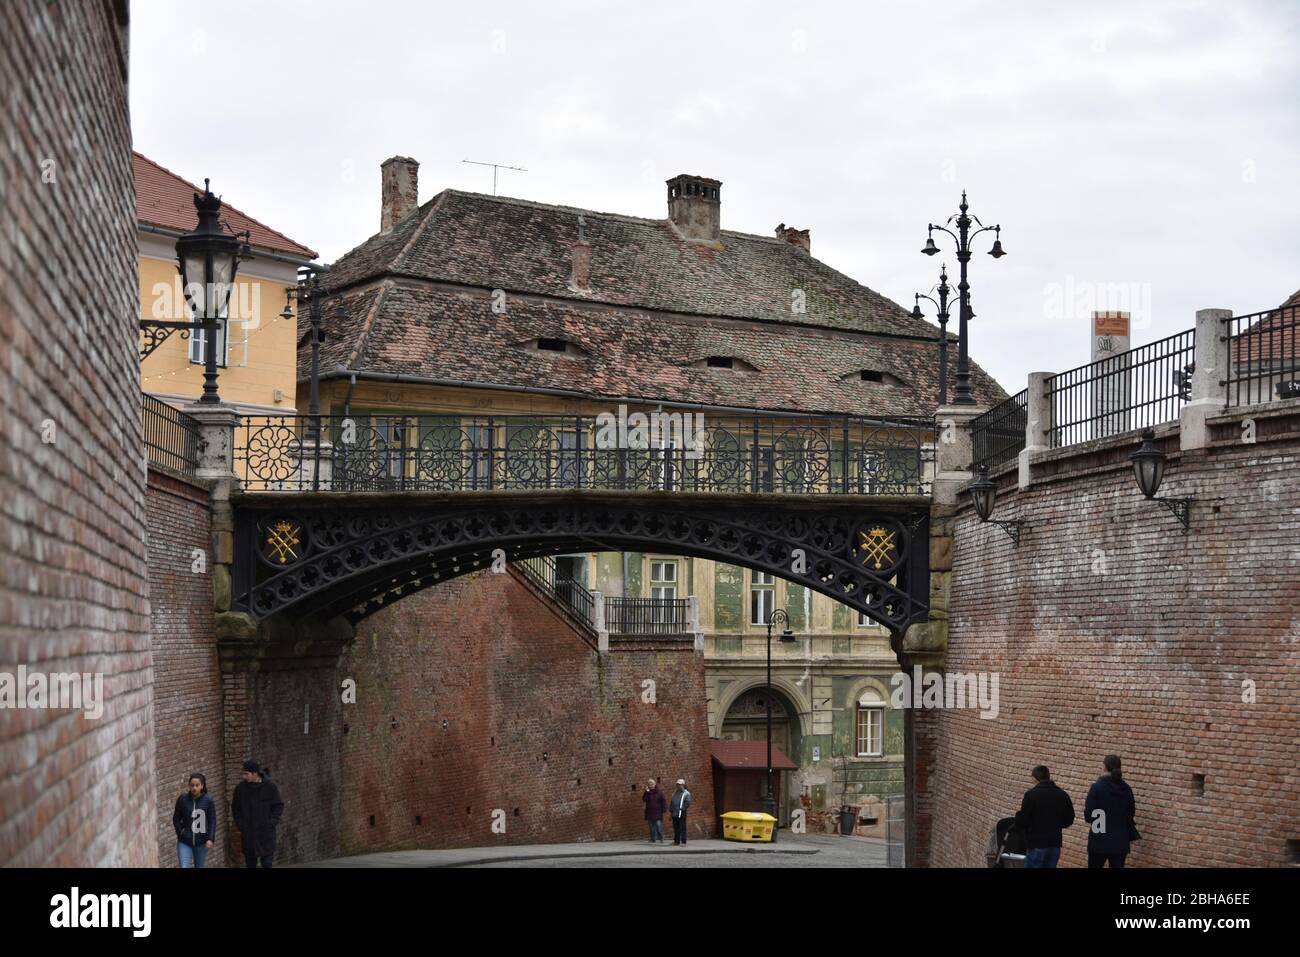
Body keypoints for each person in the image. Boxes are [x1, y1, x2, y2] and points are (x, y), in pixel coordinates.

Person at [1013, 765, 1074, 868]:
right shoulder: (1062, 795)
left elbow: (1022, 820)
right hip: (1054, 843)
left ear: (1034, 778)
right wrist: (1056, 825)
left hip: (1036, 843)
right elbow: (1069, 819)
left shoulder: (1031, 795)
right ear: (1048, 776)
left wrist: (1018, 817)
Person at [1085, 755, 1138, 868]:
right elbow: (1131, 814)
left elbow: (1089, 815)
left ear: (1104, 767)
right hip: (1120, 841)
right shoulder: (1127, 789)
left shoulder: (1097, 788)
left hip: (1099, 839)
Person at [231, 760, 284, 868]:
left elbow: (278, 806)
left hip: (266, 834)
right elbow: (236, 809)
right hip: (248, 834)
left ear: (255, 773)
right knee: (250, 864)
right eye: (243, 773)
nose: (244, 776)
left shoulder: (270, 787)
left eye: (246, 774)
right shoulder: (240, 789)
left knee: (267, 863)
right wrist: (242, 826)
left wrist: (271, 822)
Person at [173, 772, 217, 868]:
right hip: (184, 841)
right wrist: (181, 832)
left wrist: (210, 838)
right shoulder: (182, 799)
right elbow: (176, 818)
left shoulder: (208, 800)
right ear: (189, 786)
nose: (194, 788)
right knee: (184, 866)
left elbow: (212, 821)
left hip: (201, 842)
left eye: (197, 785)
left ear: (202, 786)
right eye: (192, 785)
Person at [642, 777, 666, 844]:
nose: (651, 785)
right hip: (649, 812)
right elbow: (644, 799)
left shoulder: (659, 792)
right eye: (649, 784)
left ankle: (661, 838)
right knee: (651, 827)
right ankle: (653, 839)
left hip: (658, 812)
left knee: (658, 826)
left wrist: (664, 809)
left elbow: (663, 800)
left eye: (652, 784)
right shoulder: (647, 792)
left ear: (655, 784)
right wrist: (646, 792)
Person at [669, 778, 693, 846]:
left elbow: (687, 803)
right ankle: (676, 841)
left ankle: (683, 842)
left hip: (681, 813)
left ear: (683, 785)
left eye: (680, 785)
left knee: (682, 827)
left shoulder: (686, 793)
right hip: (674, 813)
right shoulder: (674, 793)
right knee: (676, 828)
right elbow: (672, 803)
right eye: (677, 784)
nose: (678, 786)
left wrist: (682, 809)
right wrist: (671, 812)